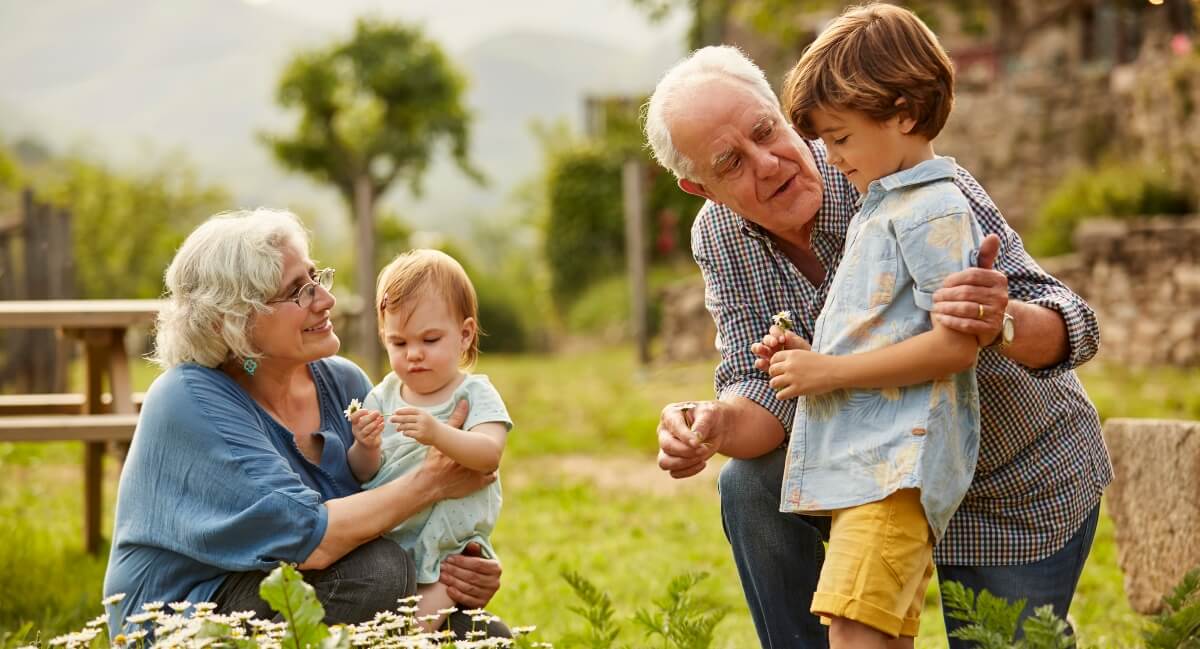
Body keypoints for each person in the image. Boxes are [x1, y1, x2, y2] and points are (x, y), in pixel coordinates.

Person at [644, 43, 1111, 649]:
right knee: (749, 485)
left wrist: (1002, 317)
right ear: (698, 187)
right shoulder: (720, 235)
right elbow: (763, 388)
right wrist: (710, 423)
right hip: (875, 479)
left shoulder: (902, 175)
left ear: (783, 112)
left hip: (1008, 478)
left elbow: (1075, 325)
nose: (766, 163)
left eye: (766, 131)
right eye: (730, 162)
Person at [102, 209, 509, 639]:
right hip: (188, 617)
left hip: (311, 587)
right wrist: (434, 481)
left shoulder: (343, 382)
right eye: (298, 291)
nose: (326, 300)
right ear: (236, 320)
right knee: (380, 573)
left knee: (485, 635)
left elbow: (387, 500)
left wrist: (462, 563)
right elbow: (309, 540)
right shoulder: (187, 398)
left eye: (317, 279)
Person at [756, 5, 985, 646]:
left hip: (896, 469)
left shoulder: (932, 208)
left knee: (856, 633)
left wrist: (830, 372)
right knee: (867, 632)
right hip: (870, 469)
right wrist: (811, 355)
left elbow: (955, 346)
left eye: (841, 137)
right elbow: (890, 329)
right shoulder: (884, 202)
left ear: (905, 113)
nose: (830, 157)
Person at [347, 249, 511, 632]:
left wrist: (439, 432)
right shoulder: (382, 395)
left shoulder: (473, 394)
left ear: (465, 334)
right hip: (394, 536)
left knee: (409, 629)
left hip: (449, 547)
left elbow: (489, 455)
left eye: (430, 339)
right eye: (399, 344)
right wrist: (366, 447)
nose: (414, 354)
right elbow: (361, 473)